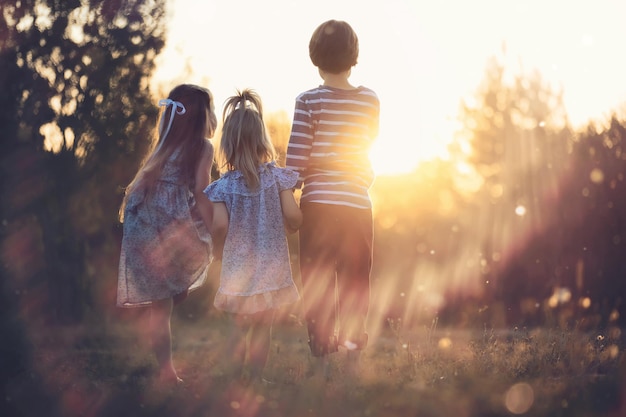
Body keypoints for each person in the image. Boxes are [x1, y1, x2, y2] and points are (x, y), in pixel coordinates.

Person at [285, 19, 380, 379]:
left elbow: (295, 160)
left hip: (319, 206)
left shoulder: (308, 100)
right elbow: (367, 148)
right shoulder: (370, 100)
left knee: (319, 280)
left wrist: (288, 199)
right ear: (354, 56)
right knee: (357, 280)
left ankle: (322, 356)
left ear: (315, 57)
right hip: (357, 205)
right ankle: (354, 353)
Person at [117, 84, 217, 386]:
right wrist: (216, 231)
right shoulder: (203, 147)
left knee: (161, 307)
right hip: (164, 226)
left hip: (142, 225)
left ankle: (165, 368)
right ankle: (166, 370)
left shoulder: (163, 145)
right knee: (168, 298)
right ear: (203, 117)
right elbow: (201, 191)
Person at [204, 89, 302, 385]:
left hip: (238, 269)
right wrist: (293, 226)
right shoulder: (278, 177)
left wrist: (218, 252)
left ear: (227, 145)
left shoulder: (222, 187)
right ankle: (257, 379)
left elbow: (219, 225)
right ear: (263, 141)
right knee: (263, 327)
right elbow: (294, 217)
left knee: (238, 324)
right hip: (271, 268)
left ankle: (235, 379)